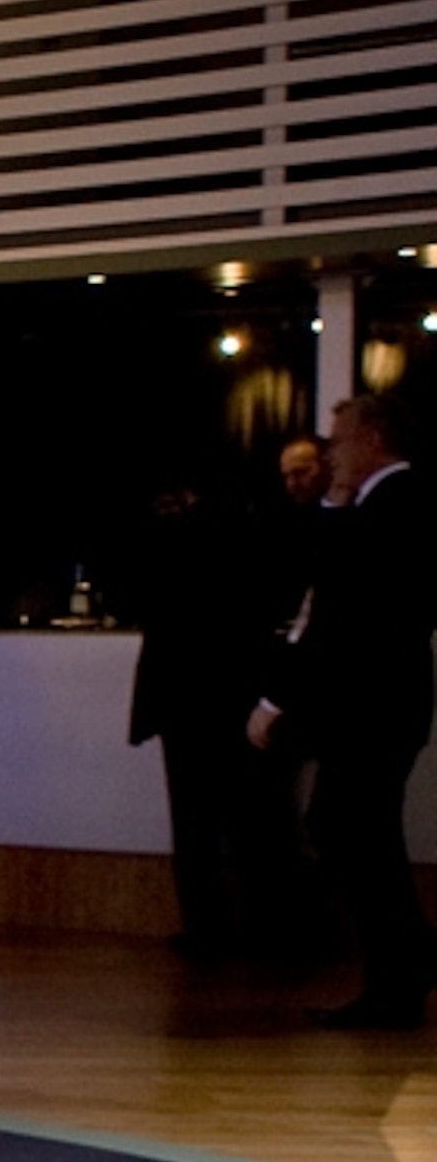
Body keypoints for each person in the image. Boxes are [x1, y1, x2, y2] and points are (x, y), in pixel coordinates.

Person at [249, 395, 436, 1028]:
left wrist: (275, 701)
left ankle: (401, 975)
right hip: (382, 705)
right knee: (353, 831)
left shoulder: (396, 504)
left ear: (374, 438)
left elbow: (340, 605)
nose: (333, 453)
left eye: (342, 438)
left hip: (373, 706)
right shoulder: (385, 505)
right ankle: (403, 970)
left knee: (353, 833)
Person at [123, 479, 302, 961]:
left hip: (183, 696)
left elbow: (147, 603)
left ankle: (206, 930)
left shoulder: (171, 541)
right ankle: (272, 928)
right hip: (242, 693)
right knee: (258, 821)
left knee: (195, 823)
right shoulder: (254, 532)